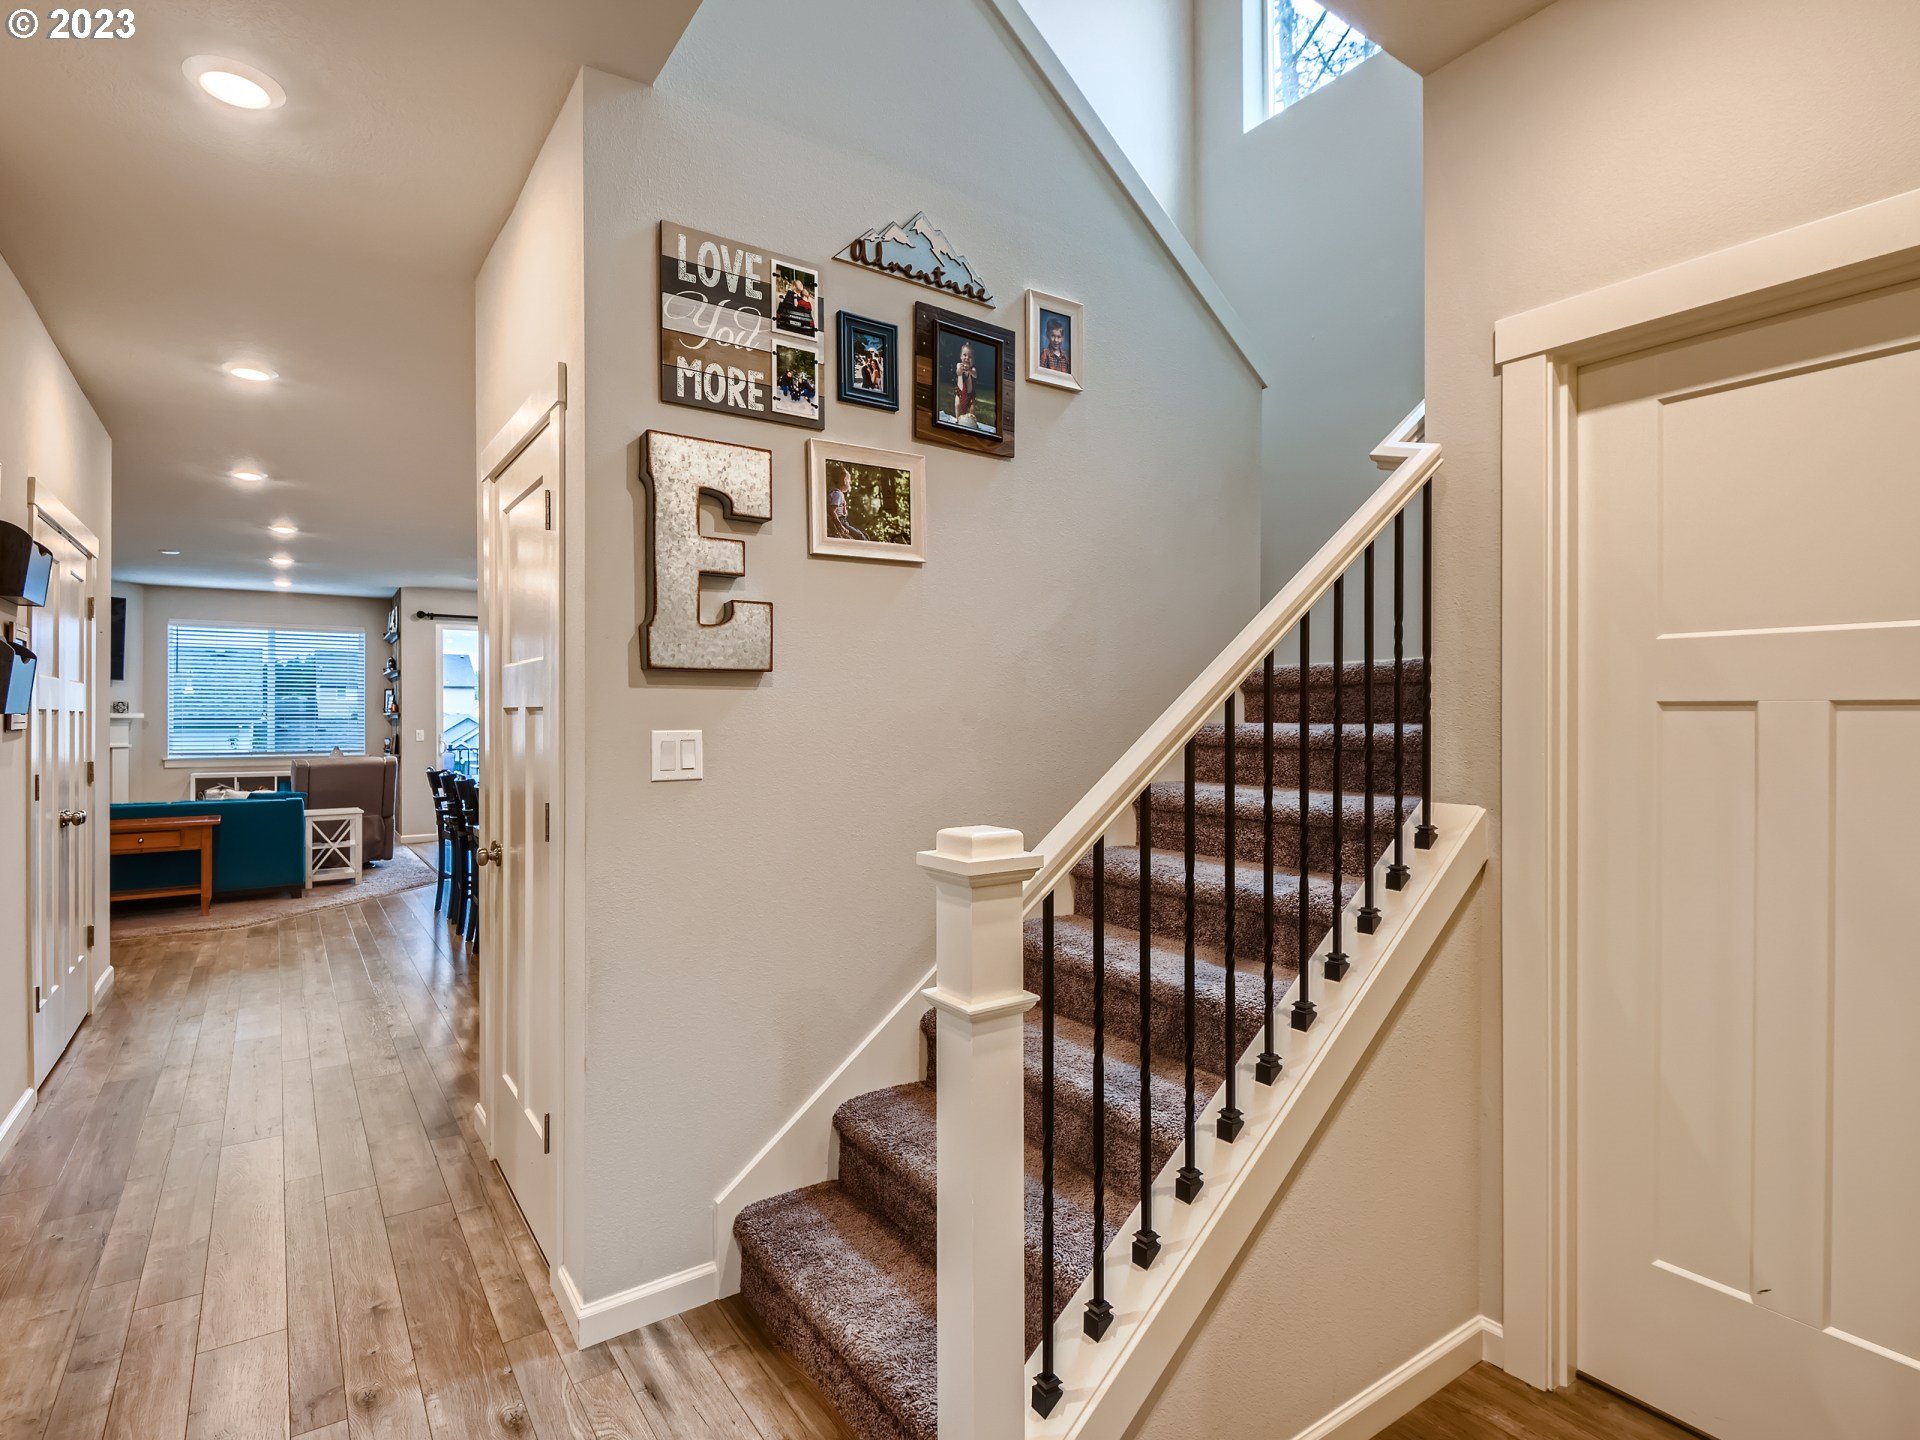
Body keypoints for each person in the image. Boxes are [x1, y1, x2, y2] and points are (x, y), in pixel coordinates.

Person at [952, 341, 977, 425]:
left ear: (973, 361)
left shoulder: (973, 369)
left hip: (970, 394)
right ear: (960, 356)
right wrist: (962, 369)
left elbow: (975, 375)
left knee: (972, 408)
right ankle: (958, 420)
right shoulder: (959, 365)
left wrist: (969, 370)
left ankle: (971, 422)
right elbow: (958, 372)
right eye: (965, 355)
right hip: (960, 392)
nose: (967, 358)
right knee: (957, 404)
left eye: (970, 357)